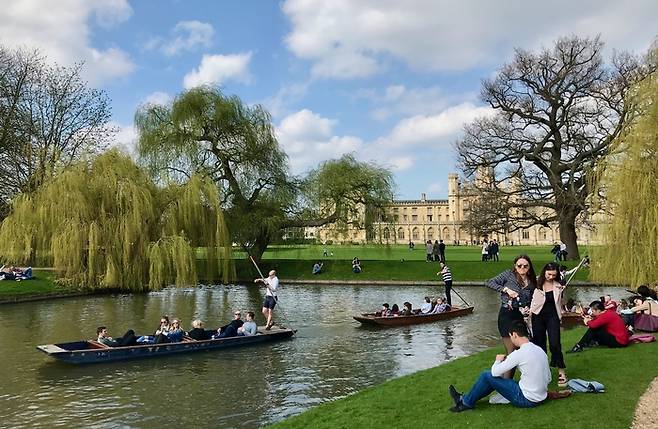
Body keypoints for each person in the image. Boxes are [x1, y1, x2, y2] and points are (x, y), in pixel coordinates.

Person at [448, 322, 551, 412]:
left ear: (514, 335)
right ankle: (465, 399)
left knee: (486, 375)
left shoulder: (520, 353)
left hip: (526, 399)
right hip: (540, 396)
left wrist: (498, 360)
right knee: (491, 379)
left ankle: (465, 402)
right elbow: (549, 378)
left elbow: (494, 372)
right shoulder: (539, 350)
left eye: (510, 336)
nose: (511, 339)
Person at [487, 255, 537, 378]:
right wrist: (505, 289)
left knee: (521, 350)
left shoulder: (531, 282)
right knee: (512, 351)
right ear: (515, 266)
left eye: (525, 266)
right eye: (519, 265)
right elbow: (489, 282)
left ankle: (510, 382)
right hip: (507, 315)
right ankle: (505, 384)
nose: (522, 268)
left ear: (529, 267)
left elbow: (530, 299)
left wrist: (527, 308)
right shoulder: (508, 275)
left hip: (520, 316)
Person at [529, 263, 568, 387]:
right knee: (539, 344)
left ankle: (561, 370)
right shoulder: (535, 283)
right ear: (544, 272)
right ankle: (544, 370)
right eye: (548, 274)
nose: (550, 277)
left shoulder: (558, 285)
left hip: (553, 317)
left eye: (553, 275)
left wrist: (562, 293)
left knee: (555, 344)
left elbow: (561, 302)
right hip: (537, 316)